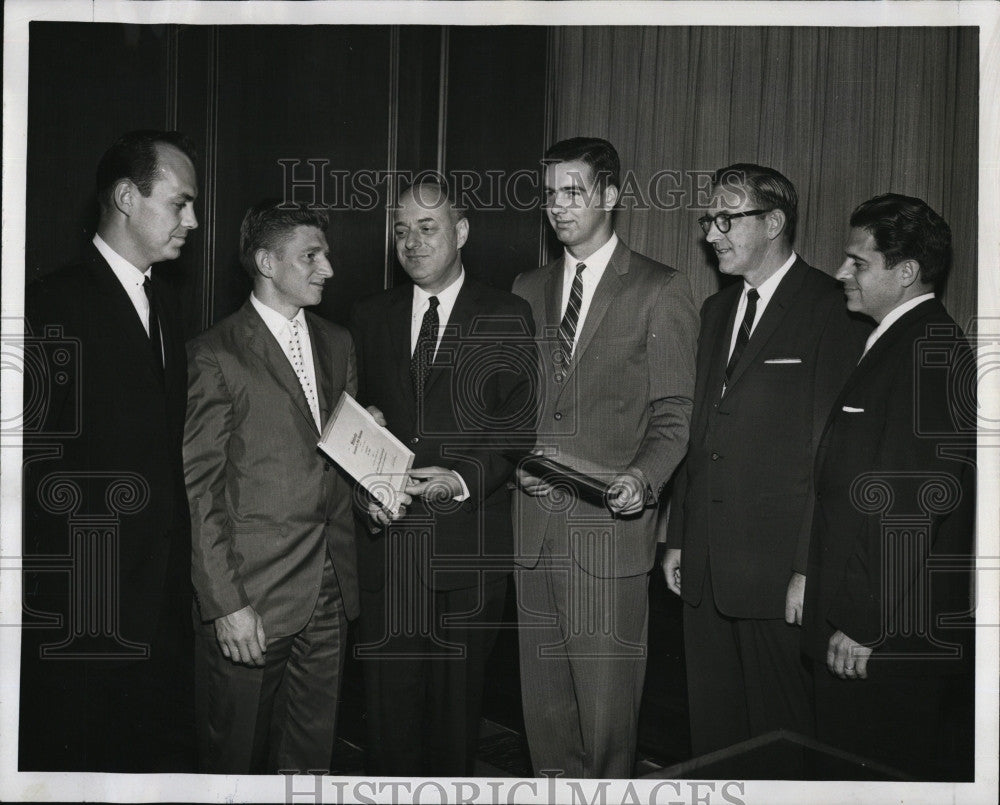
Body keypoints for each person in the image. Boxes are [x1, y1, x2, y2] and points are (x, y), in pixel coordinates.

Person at [663, 163, 870, 757]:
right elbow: (700, 434)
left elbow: (832, 454)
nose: (711, 234)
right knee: (714, 739)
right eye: (709, 220)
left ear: (774, 221)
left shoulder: (833, 309)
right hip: (703, 569)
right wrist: (678, 537)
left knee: (781, 745)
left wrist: (809, 567)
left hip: (780, 578)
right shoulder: (714, 311)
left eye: (726, 219)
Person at [511, 137, 698, 778]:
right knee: (546, 721)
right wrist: (515, 463)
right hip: (532, 533)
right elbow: (512, 406)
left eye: (574, 192)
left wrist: (642, 481)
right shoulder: (526, 287)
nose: (558, 207)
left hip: (607, 537)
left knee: (607, 722)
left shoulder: (660, 289)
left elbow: (676, 416)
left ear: (611, 196)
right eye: (550, 195)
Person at [20, 129, 199, 772]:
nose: (193, 220)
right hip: (85, 613)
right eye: (180, 203)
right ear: (127, 196)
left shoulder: (166, 304)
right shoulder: (46, 306)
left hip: (159, 608)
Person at [349, 180, 536, 776]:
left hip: (468, 552)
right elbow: (354, 426)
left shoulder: (507, 314)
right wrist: (365, 480)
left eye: (426, 228)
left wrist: (457, 481)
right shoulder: (367, 315)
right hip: (389, 550)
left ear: (460, 232)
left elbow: (517, 431)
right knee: (388, 726)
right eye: (401, 230)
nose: (411, 241)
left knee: (455, 729)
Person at [802, 193, 975, 779]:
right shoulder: (894, 342)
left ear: (905, 273)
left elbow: (913, 502)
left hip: (884, 637)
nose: (840, 272)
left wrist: (863, 620)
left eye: (858, 262)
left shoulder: (929, 349)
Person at [184, 200, 359, 774]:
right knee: (236, 759)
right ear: (265, 261)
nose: (327, 268)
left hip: (330, 588)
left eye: (325, 255)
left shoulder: (339, 342)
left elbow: (337, 455)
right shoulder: (215, 353)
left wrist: (378, 488)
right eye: (311, 256)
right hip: (252, 597)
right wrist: (226, 603)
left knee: (311, 758)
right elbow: (200, 488)